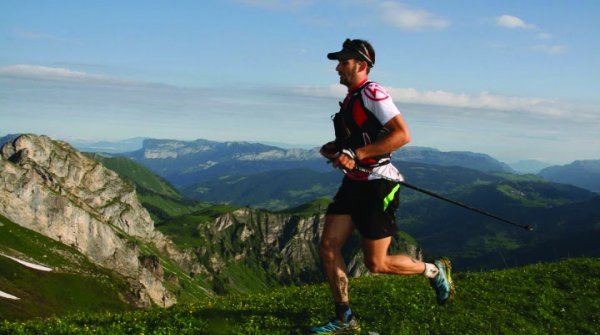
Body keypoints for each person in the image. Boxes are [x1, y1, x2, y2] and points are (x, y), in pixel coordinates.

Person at [309, 38, 455, 334]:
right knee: (328, 246)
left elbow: (402, 135)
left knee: (376, 264)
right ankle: (344, 319)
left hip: (378, 185)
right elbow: (359, 138)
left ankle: (434, 270)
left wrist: (356, 155)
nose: (337, 67)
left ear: (361, 65)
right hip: (354, 183)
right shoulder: (351, 98)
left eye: (343, 62)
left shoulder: (373, 92)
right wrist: (337, 149)